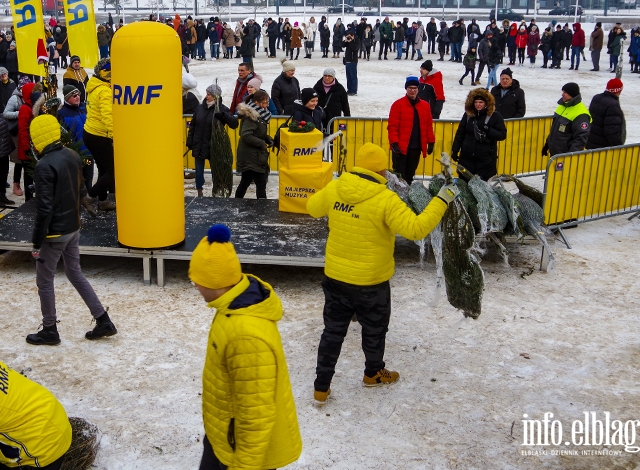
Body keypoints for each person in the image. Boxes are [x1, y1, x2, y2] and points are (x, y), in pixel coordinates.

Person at [306, 143, 458, 405]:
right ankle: (373, 372)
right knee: (374, 329)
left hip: (336, 277)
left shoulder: (335, 188)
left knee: (332, 332)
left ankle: (321, 387)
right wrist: (443, 198)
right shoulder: (386, 199)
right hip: (371, 281)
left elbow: (312, 208)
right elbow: (417, 228)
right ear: (383, 170)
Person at [189, 224, 302, 470]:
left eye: (196, 281)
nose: (195, 286)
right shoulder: (231, 304)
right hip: (224, 436)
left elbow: (257, 416)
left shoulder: (246, 337)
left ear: (214, 281)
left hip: (242, 453)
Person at [25, 114, 116, 344]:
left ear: (37, 138)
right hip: (73, 228)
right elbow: (82, 189)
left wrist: (36, 242)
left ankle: (49, 330)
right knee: (75, 273)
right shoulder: (72, 155)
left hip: (54, 234)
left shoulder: (44, 166)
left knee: (44, 281)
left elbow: (44, 209)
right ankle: (102, 319)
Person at [188, 84, 239, 198]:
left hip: (214, 146)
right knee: (199, 172)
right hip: (199, 144)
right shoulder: (199, 108)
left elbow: (234, 124)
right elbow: (193, 126)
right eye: (206, 94)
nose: (206, 97)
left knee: (215, 170)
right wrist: (190, 141)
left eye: (209, 94)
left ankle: (216, 190)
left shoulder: (222, 109)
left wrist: (224, 116)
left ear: (216, 97)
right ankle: (199, 191)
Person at [387, 77, 435, 184]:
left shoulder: (425, 106)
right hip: (400, 147)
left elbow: (428, 125)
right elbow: (392, 126)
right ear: (406, 89)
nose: (412, 90)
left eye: (415, 88)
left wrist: (431, 141)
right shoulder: (398, 105)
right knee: (399, 176)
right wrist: (394, 143)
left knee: (410, 175)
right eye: (410, 88)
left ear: (418, 89)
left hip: (416, 147)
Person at [451, 89, 507, 180]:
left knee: (483, 188)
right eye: (476, 102)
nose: (478, 104)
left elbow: (502, 135)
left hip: (485, 161)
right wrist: (455, 150)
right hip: (466, 158)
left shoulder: (495, 116)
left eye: (481, 102)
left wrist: (488, 129)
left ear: (486, 103)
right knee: (464, 185)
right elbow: (460, 133)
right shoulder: (468, 115)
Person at [83, 58, 116, 212]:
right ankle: (90, 197)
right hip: (100, 135)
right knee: (112, 171)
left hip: (90, 133)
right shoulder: (104, 91)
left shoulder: (95, 86)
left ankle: (103, 202)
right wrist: (115, 135)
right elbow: (108, 116)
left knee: (103, 169)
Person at [57, 84, 97, 209]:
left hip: (88, 150)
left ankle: (89, 201)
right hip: (74, 152)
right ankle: (76, 204)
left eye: (78, 95)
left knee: (89, 177)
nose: (77, 97)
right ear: (67, 98)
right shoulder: (62, 113)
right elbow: (63, 135)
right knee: (76, 180)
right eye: (74, 96)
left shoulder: (84, 108)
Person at [235, 96, 273, 199]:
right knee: (260, 184)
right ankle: (262, 209)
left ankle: (237, 203)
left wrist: (267, 138)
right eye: (265, 102)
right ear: (257, 103)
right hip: (251, 155)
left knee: (245, 181)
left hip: (253, 154)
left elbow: (257, 133)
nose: (267, 105)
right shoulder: (251, 116)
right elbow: (246, 135)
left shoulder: (260, 115)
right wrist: (261, 143)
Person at [542, 82, 591, 157]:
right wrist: (547, 144)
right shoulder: (562, 106)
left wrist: (570, 157)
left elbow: (580, 139)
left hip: (566, 155)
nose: (562, 94)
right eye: (563, 92)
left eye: (565, 92)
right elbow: (555, 130)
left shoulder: (581, 113)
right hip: (556, 152)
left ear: (572, 94)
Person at [586, 79, 626, 150]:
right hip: (604, 146)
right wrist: (618, 145)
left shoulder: (596, 97)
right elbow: (612, 130)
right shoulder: (613, 105)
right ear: (619, 91)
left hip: (591, 141)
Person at [343, 28, 359, 96]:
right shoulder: (348, 41)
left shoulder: (356, 41)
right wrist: (345, 40)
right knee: (348, 76)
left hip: (353, 61)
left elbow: (354, 48)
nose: (349, 37)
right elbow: (342, 45)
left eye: (350, 36)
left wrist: (351, 41)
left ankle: (354, 90)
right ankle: (349, 90)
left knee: (353, 76)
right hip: (347, 61)